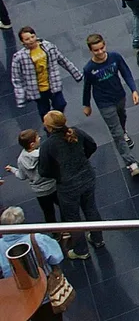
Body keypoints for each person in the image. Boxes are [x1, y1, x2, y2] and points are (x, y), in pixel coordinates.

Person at [38, 111, 101, 258]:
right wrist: (83, 160)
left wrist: (58, 174)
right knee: (91, 208)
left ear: (50, 127)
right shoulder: (76, 132)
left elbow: (43, 171)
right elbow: (92, 145)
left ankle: (81, 251)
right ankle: (98, 239)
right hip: (87, 177)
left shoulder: (48, 146)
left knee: (73, 219)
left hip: (67, 186)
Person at [80, 34, 139, 178]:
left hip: (119, 96)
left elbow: (126, 73)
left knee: (122, 117)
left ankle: (123, 131)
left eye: (102, 48)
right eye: (96, 50)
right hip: (104, 103)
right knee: (116, 133)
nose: (100, 52)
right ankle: (131, 163)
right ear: (91, 51)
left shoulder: (115, 57)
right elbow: (86, 87)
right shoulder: (89, 68)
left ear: (105, 45)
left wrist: (134, 90)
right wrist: (86, 104)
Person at [10, 29, 80, 119]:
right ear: (22, 42)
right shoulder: (19, 57)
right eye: (27, 39)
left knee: (61, 104)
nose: (31, 40)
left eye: (32, 37)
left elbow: (62, 60)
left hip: (53, 84)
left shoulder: (48, 47)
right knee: (44, 111)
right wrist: (20, 96)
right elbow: (16, 77)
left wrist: (76, 74)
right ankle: (49, 125)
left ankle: (56, 121)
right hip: (37, 89)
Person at [0, 206, 64, 282]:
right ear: (22, 222)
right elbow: (56, 257)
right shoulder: (38, 239)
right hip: (43, 280)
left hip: (14, 284)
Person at [8, 130, 57, 225]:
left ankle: (56, 234)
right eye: (38, 137)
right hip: (53, 186)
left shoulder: (21, 160)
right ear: (32, 144)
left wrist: (13, 170)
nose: (40, 138)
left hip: (40, 192)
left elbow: (21, 176)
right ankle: (67, 229)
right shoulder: (44, 153)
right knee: (64, 207)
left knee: (48, 213)